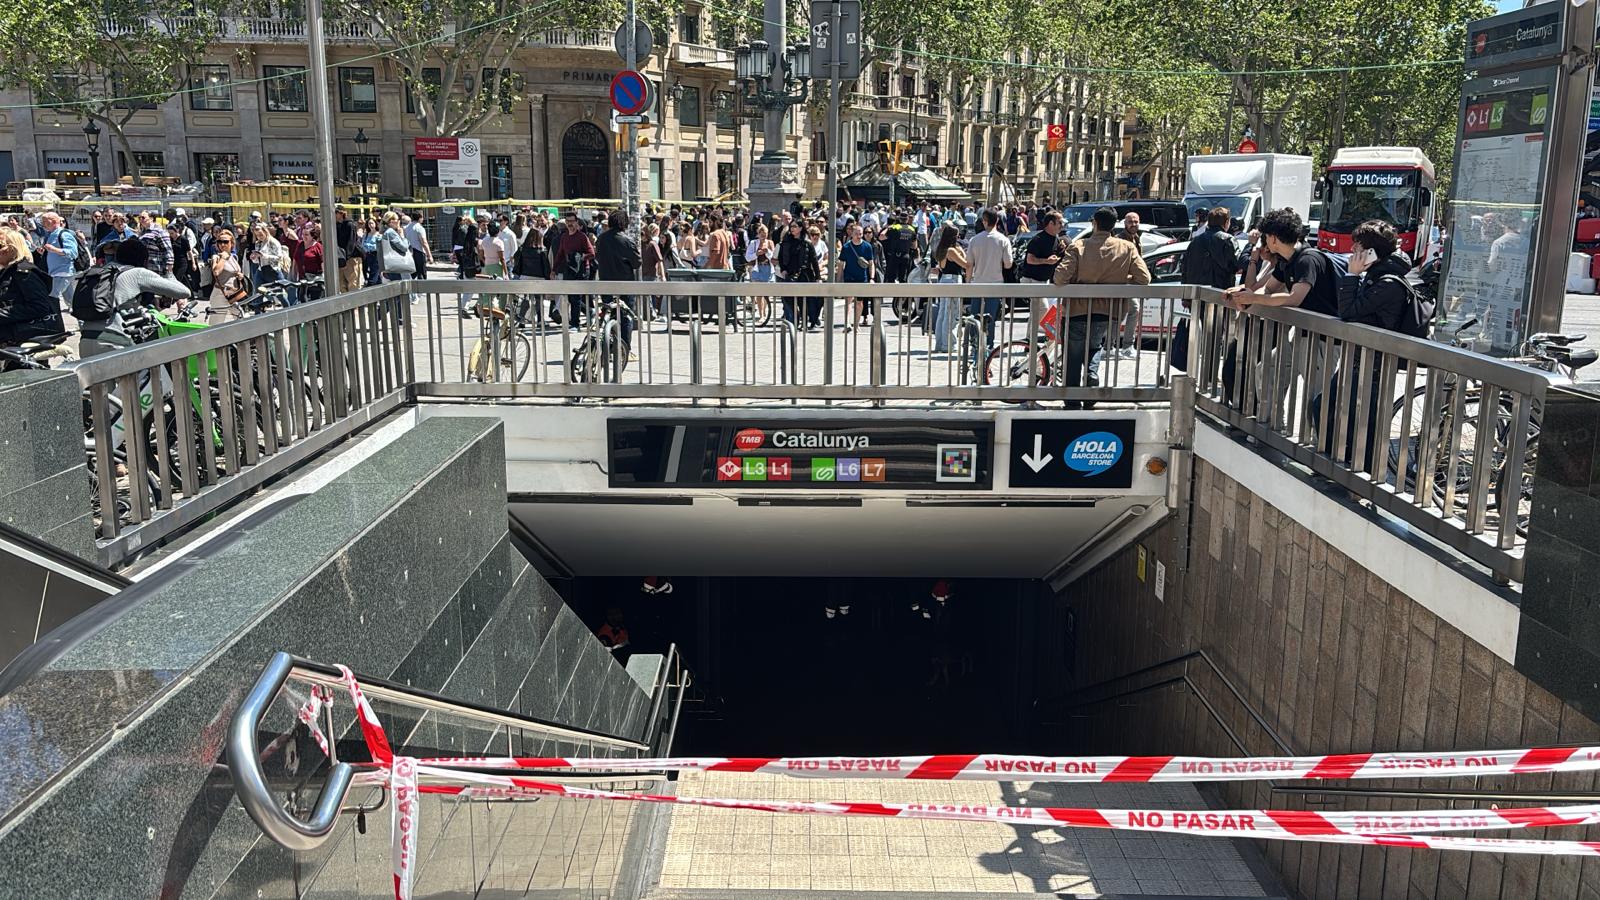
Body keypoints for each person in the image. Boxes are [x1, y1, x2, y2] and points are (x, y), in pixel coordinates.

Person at [1051, 206, 1151, 407]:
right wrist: (1122, 279)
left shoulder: (1079, 246)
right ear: (1115, 225)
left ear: (1094, 223)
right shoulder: (1126, 247)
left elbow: (1059, 278)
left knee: (1073, 354)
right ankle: (1091, 379)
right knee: (1094, 347)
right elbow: (1145, 278)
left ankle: (1072, 401)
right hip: (1108, 311)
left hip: (1078, 309)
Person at [79, 239, 191, 357]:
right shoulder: (137, 273)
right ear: (144, 260)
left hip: (86, 341)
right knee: (149, 368)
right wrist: (169, 273)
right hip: (115, 343)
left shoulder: (99, 273)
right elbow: (184, 292)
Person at [964, 208, 1013, 373]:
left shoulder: (974, 240)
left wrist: (967, 283)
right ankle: (987, 356)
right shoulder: (1003, 240)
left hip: (978, 284)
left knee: (975, 320)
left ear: (984, 221)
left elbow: (969, 264)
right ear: (997, 221)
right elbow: (1008, 264)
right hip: (995, 284)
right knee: (989, 322)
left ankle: (975, 353)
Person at [0, 229, 62, 350]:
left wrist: (3, 313)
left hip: (22, 341)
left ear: (11, 249)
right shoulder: (7, 272)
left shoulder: (24, 273)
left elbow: (40, 306)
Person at [595, 209, 641, 357]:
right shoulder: (627, 241)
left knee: (607, 314)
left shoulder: (601, 239)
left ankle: (605, 347)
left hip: (605, 283)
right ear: (624, 223)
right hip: (625, 284)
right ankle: (624, 350)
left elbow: (597, 258)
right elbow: (637, 263)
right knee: (626, 317)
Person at [928, 224, 969, 353]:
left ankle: (940, 343)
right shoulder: (951, 251)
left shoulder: (941, 248)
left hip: (943, 279)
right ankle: (949, 344)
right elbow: (965, 263)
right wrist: (962, 251)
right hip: (953, 280)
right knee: (952, 313)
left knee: (942, 313)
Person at [552, 212, 596, 329]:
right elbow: (560, 254)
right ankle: (589, 311)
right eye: (568, 221)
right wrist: (554, 269)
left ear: (576, 222)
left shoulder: (582, 237)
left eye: (572, 221)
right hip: (569, 270)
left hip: (581, 271)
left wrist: (580, 257)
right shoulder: (564, 237)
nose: (570, 224)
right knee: (571, 297)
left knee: (576, 297)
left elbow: (591, 253)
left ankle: (575, 324)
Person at [778, 220, 820, 328]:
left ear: (801, 228)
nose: (792, 229)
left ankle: (804, 322)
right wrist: (783, 269)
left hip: (804, 274)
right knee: (787, 297)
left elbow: (814, 261)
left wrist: (818, 277)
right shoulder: (786, 242)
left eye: (795, 226)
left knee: (802, 300)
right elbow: (781, 257)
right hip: (790, 273)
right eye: (791, 226)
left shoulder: (807, 243)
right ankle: (796, 316)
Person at [35, 211, 80, 310]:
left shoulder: (64, 234)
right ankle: (80, 314)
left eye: (45, 221)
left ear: (54, 221)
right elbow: (54, 252)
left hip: (63, 272)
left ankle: (52, 317)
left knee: (52, 296)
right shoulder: (51, 235)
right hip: (57, 271)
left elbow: (73, 252)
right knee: (70, 298)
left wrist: (53, 249)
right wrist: (45, 252)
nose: (42, 224)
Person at [1019, 211, 1065, 302]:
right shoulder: (1038, 239)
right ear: (1051, 223)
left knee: (1041, 311)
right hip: (1033, 280)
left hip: (1045, 280)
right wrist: (1046, 261)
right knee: (1042, 309)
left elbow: (1056, 256)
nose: (1062, 225)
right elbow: (1030, 259)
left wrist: (1062, 249)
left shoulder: (1056, 238)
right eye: (1060, 222)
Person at [838, 222, 876, 326]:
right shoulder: (846, 247)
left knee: (859, 302)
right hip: (849, 276)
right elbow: (841, 265)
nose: (859, 236)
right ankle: (847, 323)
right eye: (856, 233)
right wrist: (838, 280)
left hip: (862, 278)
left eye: (860, 233)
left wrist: (871, 278)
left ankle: (856, 323)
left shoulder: (867, 246)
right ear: (852, 234)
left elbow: (871, 263)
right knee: (848, 300)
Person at [208, 229, 249, 324]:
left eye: (225, 242)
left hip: (235, 294)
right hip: (221, 293)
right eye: (219, 242)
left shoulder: (233, 257)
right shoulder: (217, 257)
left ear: (232, 243)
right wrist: (223, 258)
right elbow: (216, 272)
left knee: (242, 320)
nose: (222, 244)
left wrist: (240, 276)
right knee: (216, 324)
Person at [248, 222, 289, 293]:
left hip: (273, 270)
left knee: (280, 294)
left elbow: (279, 258)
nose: (259, 237)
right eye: (257, 235)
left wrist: (264, 256)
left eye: (261, 235)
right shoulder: (258, 243)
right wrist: (254, 258)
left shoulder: (273, 242)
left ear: (265, 231)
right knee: (258, 293)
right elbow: (258, 260)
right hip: (261, 270)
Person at [335, 208, 363, 292]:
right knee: (342, 285)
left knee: (353, 283)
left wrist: (346, 257)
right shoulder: (335, 226)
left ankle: (354, 305)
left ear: (340, 213)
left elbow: (351, 243)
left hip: (351, 257)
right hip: (340, 258)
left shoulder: (350, 225)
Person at [137, 211, 173, 276]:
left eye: (143, 217)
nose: (141, 220)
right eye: (139, 218)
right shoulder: (141, 233)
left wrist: (169, 265)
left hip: (156, 268)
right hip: (144, 268)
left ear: (151, 219)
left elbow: (168, 249)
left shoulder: (159, 231)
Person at [403, 213, 431, 279]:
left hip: (409, 251)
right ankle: (422, 288)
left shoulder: (406, 228)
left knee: (412, 272)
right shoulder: (420, 228)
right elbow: (424, 242)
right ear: (420, 218)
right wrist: (429, 255)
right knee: (421, 273)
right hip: (419, 251)